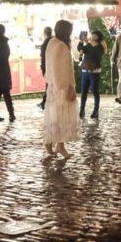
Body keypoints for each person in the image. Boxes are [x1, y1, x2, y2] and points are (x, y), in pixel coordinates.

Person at [42, 19, 80, 159]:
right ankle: (60, 145)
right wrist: (71, 86)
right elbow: (66, 70)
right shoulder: (62, 46)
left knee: (53, 115)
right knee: (62, 116)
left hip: (52, 86)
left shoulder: (51, 43)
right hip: (62, 86)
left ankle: (51, 141)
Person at [78, 29, 105, 119]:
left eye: (94, 35)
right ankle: (81, 110)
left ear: (98, 37)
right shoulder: (88, 45)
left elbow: (97, 54)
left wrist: (89, 43)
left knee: (95, 91)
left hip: (95, 72)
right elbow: (80, 49)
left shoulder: (100, 47)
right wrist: (81, 41)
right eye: (92, 34)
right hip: (85, 71)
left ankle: (95, 111)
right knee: (83, 92)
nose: (92, 36)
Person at [38, 26, 53, 111]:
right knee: (49, 85)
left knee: (49, 84)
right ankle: (44, 101)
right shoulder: (53, 41)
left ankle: (45, 102)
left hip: (47, 66)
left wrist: (43, 68)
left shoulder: (46, 43)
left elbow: (43, 57)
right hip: (49, 66)